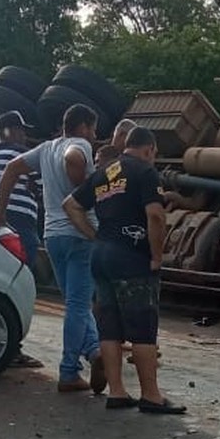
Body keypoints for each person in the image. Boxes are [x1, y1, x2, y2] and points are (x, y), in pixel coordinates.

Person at [63, 126, 184, 414]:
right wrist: (156, 255)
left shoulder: (105, 171)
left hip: (102, 257)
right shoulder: (145, 172)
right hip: (132, 257)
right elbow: (155, 215)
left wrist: (95, 236)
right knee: (143, 328)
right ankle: (152, 396)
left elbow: (70, 206)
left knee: (110, 327)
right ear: (149, 149)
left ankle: (116, 392)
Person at [0, 104, 105, 394]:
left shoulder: (45, 149)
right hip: (81, 233)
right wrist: (82, 183)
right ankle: (69, 371)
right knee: (80, 305)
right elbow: (74, 157)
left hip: (53, 236)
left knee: (74, 302)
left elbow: (11, 169)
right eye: (93, 129)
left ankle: (94, 351)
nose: (94, 135)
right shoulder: (77, 145)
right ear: (82, 127)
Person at [0, 112, 42, 369]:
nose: (24, 135)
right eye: (20, 130)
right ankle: (12, 348)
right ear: (9, 130)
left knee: (2, 285)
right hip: (22, 225)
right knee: (19, 286)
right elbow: (40, 184)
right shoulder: (19, 154)